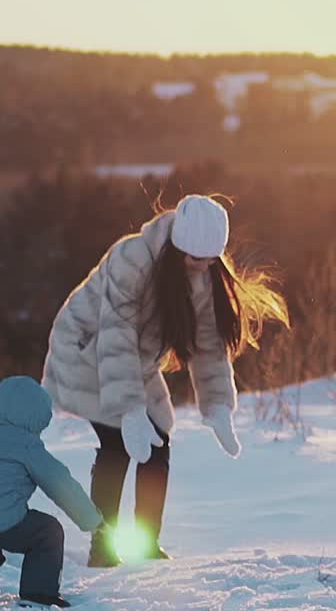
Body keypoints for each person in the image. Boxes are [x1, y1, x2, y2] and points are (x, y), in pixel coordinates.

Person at [42, 194, 289, 567]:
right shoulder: (132, 260)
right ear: (178, 248)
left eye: (210, 260)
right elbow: (115, 335)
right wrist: (129, 410)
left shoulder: (201, 276)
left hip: (133, 362)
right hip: (85, 352)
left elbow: (208, 344)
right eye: (196, 259)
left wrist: (218, 405)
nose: (203, 267)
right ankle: (102, 546)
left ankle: (145, 544)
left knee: (158, 444)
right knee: (116, 442)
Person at [0, 376, 103, 608]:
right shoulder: (25, 443)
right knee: (47, 532)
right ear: (36, 415)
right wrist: (92, 520)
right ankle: (39, 595)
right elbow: (60, 483)